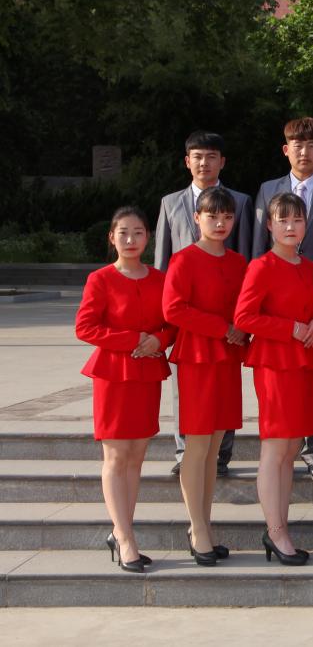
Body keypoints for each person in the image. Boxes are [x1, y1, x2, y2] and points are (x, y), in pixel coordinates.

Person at [76, 207, 175, 572]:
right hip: (114, 375)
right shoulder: (100, 279)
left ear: (148, 237)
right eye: (123, 233)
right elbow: (85, 327)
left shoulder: (161, 279)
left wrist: (159, 340)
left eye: (138, 232)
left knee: (136, 456)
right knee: (116, 456)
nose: (131, 239)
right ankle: (125, 536)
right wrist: (133, 340)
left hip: (147, 373)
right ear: (112, 237)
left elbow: (173, 321)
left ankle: (122, 530)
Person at [253, 117, 313, 482]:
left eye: (311, 145)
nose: (304, 152)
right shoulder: (267, 190)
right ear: (286, 149)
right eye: (298, 145)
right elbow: (258, 248)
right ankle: (282, 448)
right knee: (280, 382)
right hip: (277, 305)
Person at [154, 130, 253, 477]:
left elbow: (246, 260)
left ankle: (221, 455)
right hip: (187, 320)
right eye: (198, 156)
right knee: (186, 394)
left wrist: (240, 323)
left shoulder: (241, 202)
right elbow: (162, 262)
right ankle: (185, 453)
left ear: (222, 162)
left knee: (226, 394)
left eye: (211, 156)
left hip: (228, 316)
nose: (204, 163)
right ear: (187, 161)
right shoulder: (171, 203)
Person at [235, 192, 313, 566]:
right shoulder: (262, 266)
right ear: (270, 225)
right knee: (275, 448)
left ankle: (281, 526)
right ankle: (275, 531)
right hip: (274, 363)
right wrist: (290, 328)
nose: (291, 227)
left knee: (291, 448)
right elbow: (244, 317)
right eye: (283, 220)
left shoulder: (309, 267)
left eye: (297, 220)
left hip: (303, 361)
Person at [161, 187, 247, 566]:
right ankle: (197, 528)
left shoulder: (238, 262)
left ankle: (204, 525)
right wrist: (222, 328)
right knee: (196, 447)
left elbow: (246, 307)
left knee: (214, 448)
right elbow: (173, 309)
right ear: (197, 218)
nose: (220, 222)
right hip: (197, 356)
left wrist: (241, 329)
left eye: (227, 216)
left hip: (226, 358)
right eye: (212, 216)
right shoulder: (184, 260)